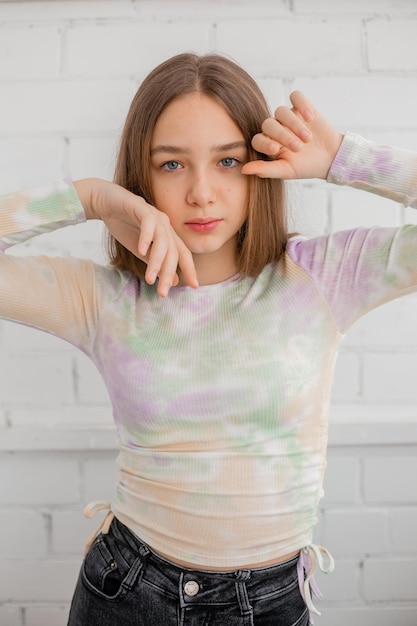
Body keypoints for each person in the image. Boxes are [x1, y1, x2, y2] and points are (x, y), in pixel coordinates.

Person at [1, 52, 416, 626]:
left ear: (261, 162)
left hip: (273, 601)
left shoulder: (323, 276)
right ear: (140, 176)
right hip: (128, 593)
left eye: (227, 160)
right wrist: (91, 199)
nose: (201, 192)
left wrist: (344, 159)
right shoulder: (101, 298)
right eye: (171, 165)